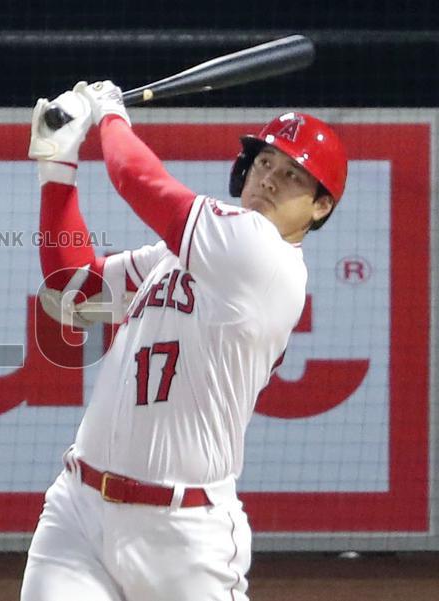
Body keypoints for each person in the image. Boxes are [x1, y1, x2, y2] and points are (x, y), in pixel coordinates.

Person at [21, 81, 347, 600]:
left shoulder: (261, 255)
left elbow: (137, 179)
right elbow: (74, 290)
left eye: (292, 176)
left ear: (320, 207)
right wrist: (56, 169)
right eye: (265, 163)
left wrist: (110, 116)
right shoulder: (183, 254)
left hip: (183, 532)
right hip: (78, 511)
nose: (269, 180)